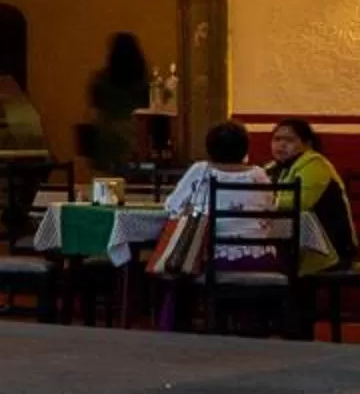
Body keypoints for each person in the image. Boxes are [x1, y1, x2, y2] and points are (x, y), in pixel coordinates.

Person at [163, 119, 277, 267]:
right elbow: (270, 210)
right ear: (245, 148)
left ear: (209, 147)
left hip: (208, 258)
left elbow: (172, 207)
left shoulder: (201, 170)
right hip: (259, 258)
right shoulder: (259, 174)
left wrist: (191, 209)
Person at [266, 117, 354, 274]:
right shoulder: (274, 168)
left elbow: (300, 202)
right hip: (293, 244)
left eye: (290, 140)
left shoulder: (315, 164)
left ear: (307, 144)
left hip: (331, 249)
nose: (281, 145)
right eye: (277, 139)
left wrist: (264, 200)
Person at [85, 32, 151, 178]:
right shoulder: (144, 82)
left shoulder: (101, 80)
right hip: (137, 138)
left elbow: (95, 112)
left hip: (108, 140)